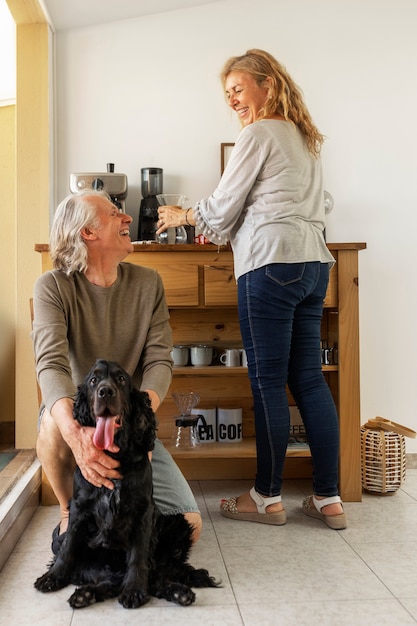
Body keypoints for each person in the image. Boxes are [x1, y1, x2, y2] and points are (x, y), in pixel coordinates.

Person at [156, 49, 347, 530]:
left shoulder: (259, 133)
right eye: (228, 94)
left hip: (271, 263)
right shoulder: (304, 138)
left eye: (239, 88)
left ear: (269, 83)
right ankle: (328, 497)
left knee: (266, 382)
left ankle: (266, 497)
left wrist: (183, 215)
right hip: (314, 264)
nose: (233, 99)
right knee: (308, 379)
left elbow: (221, 212)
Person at [32, 190, 202, 549]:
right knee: (52, 420)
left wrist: (140, 421)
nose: (127, 219)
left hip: (129, 418)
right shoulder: (52, 286)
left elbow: (159, 359)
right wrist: (77, 436)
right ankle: (70, 512)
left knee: (188, 526)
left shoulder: (148, 283)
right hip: (78, 418)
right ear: (87, 233)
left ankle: (118, 531)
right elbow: (50, 364)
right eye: (114, 214)